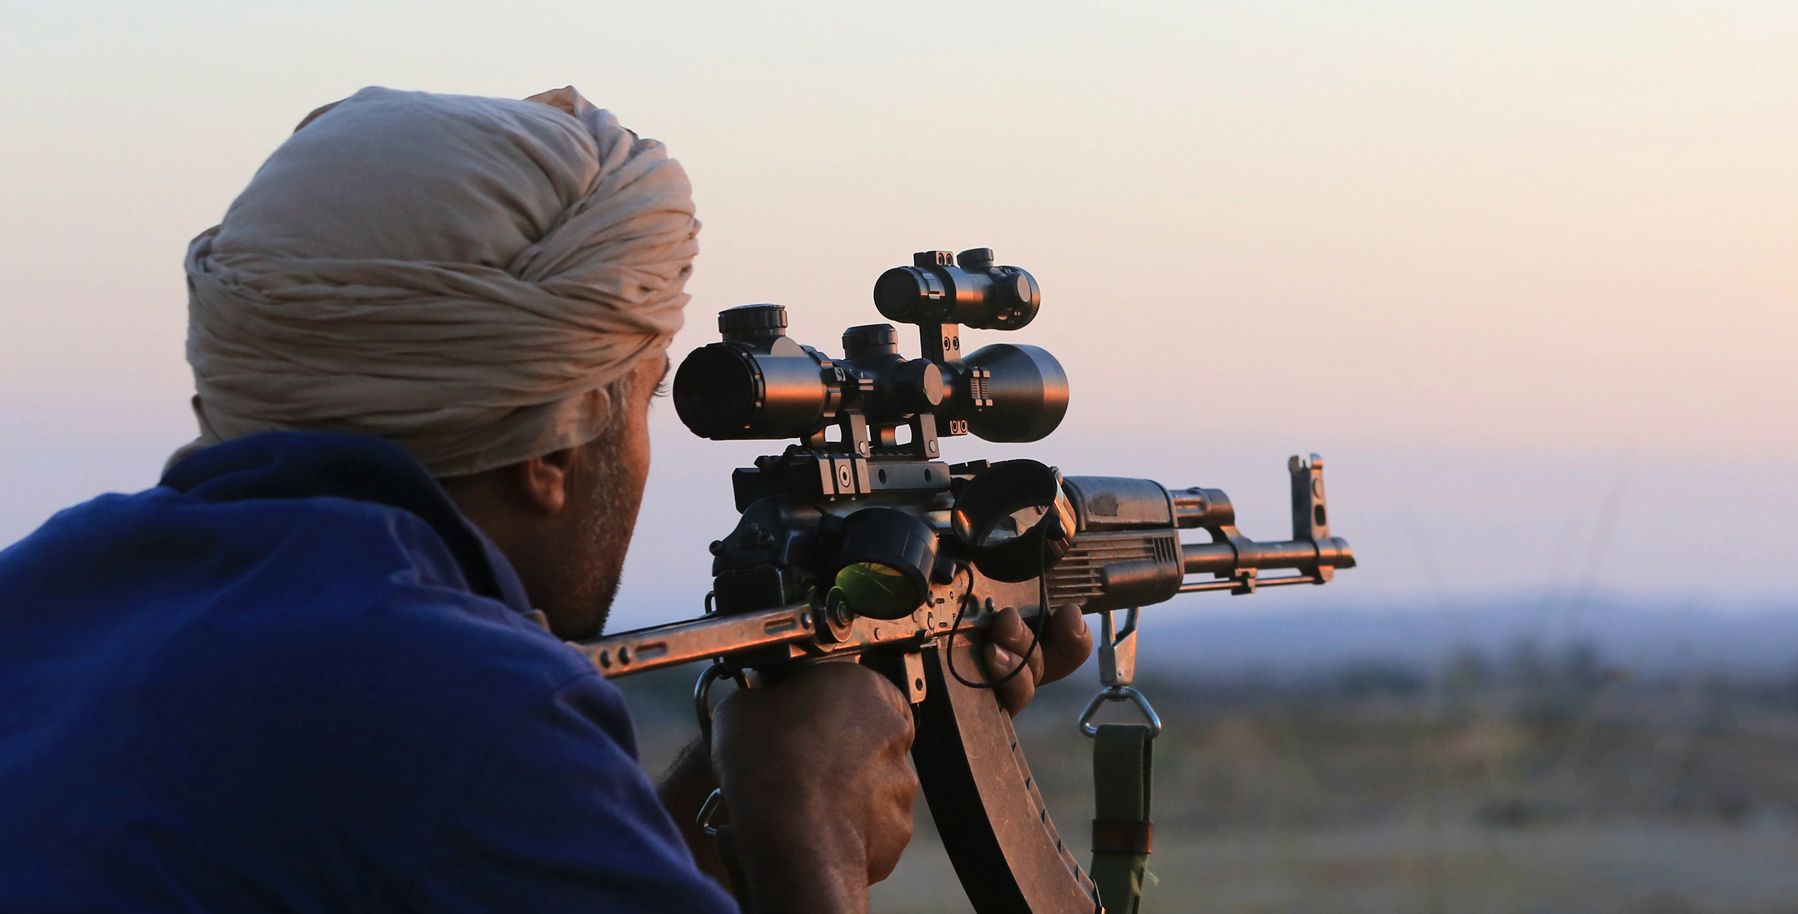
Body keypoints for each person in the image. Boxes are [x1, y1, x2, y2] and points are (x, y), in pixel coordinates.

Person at [0, 86, 1090, 913]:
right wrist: (810, 836)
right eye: (642, 397)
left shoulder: (45, 591)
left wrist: (728, 780)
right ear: (552, 450)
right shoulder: (463, 703)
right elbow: (456, 773)